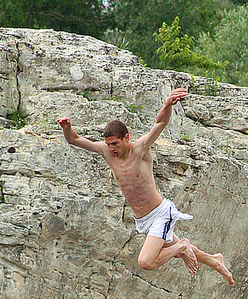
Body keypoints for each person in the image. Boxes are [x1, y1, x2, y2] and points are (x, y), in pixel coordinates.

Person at [57, 89, 234, 285]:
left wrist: (167, 106)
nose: (111, 148)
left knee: (146, 261)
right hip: (143, 220)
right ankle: (215, 260)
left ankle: (183, 246)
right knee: (171, 251)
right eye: (108, 144)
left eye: (115, 143)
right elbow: (74, 140)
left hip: (160, 213)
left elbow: (160, 123)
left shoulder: (140, 149)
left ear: (126, 137)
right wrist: (67, 127)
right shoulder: (106, 152)